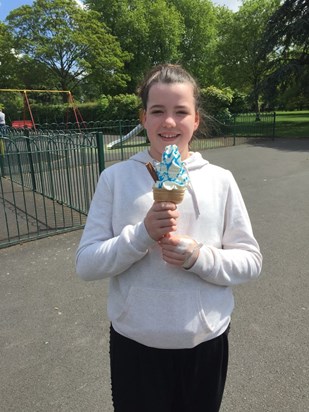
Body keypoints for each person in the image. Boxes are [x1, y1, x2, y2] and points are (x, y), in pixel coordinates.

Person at [76, 64, 262, 412]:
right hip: (135, 343)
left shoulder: (221, 180)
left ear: (196, 120)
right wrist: (141, 235)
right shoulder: (115, 178)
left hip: (205, 342)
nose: (169, 122)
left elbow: (250, 261)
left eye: (181, 112)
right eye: (158, 111)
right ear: (143, 118)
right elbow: (86, 264)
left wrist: (198, 257)